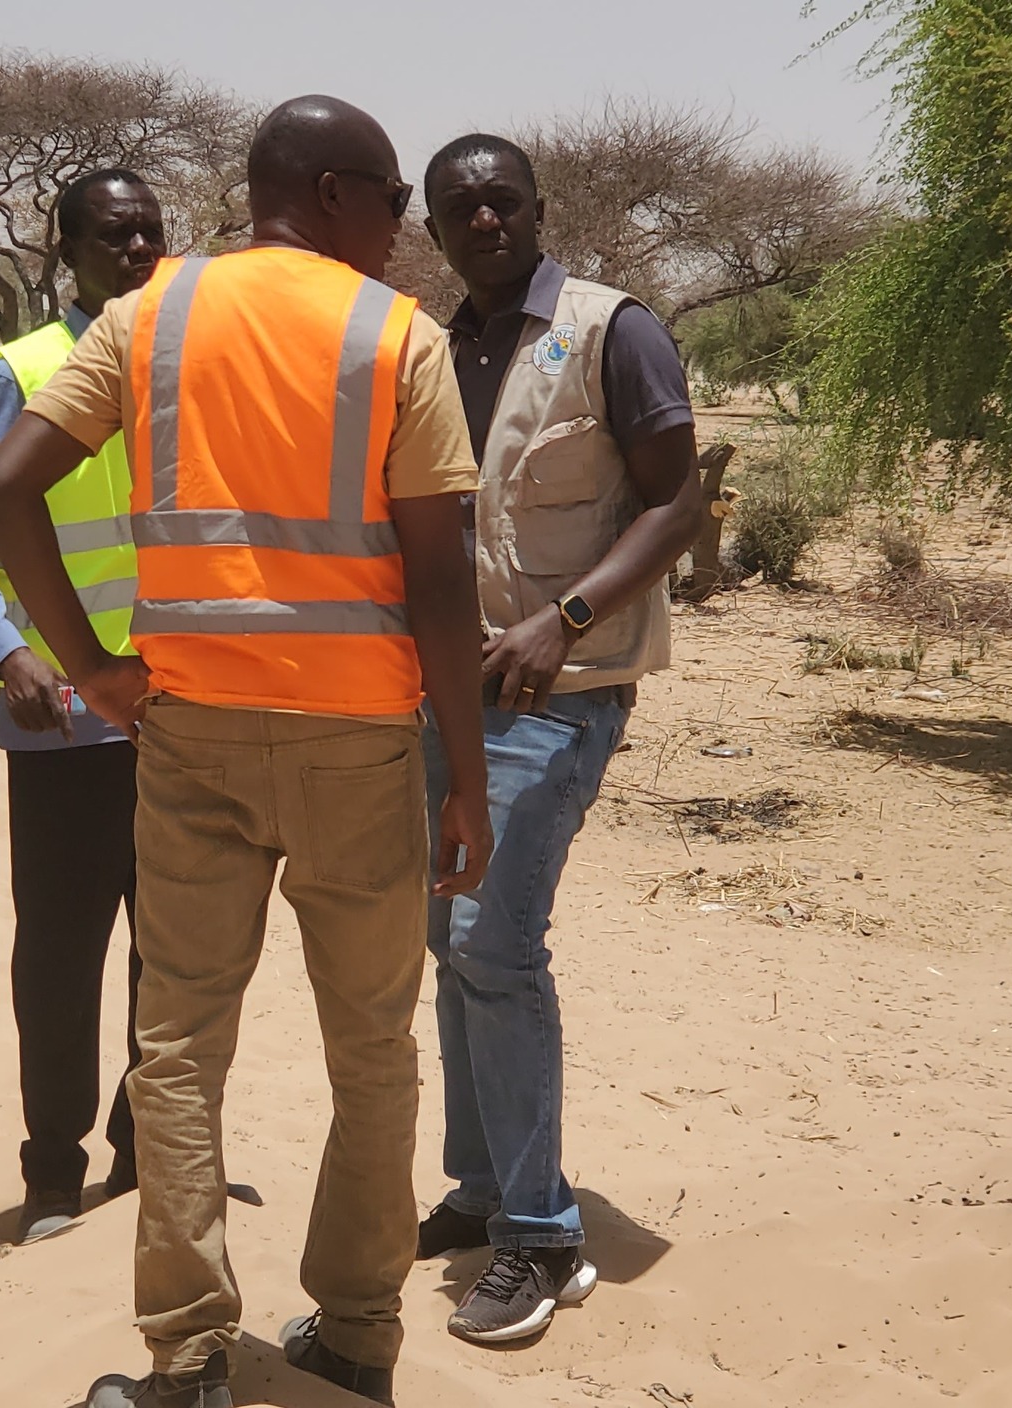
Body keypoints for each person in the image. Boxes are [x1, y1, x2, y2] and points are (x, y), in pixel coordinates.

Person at [0, 96, 493, 1408]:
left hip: (186, 735)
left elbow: (2, 489)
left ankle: (189, 1354)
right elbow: (439, 585)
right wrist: (468, 777)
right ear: (327, 192)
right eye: (390, 200)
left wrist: (91, 666)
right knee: (372, 1047)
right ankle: (360, 1337)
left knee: (177, 1044)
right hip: (358, 749)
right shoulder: (398, 340)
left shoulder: (145, 316)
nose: (402, 230)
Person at [413, 134, 715, 1344]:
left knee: (495, 938)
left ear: (537, 209)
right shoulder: (432, 350)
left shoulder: (609, 329)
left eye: (500, 199)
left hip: (565, 689)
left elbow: (679, 501)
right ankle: (484, 1188)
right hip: (447, 696)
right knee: (448, 934)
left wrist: (568, 615)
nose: (482, 219)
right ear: (431, 231)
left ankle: (541, 1240)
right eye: (457, 208)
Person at [0, 168, 167, 1245]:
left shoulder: (184, 367)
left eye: (150, 234)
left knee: (174, 953)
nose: (136, 251)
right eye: (113, 236)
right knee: (62, 958)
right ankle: (52, 1171)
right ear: (61, 251)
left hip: (181, 723)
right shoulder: (16, 374)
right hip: (67, 726)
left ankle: (147, 1148)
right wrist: (8, 655)